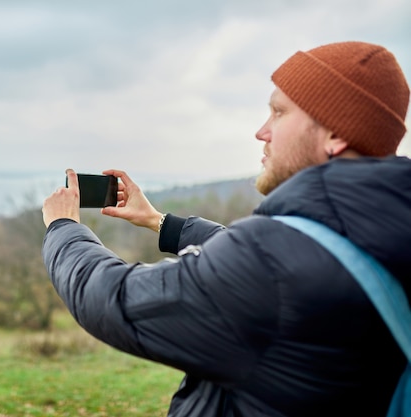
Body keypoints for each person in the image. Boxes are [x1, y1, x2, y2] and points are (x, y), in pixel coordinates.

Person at [41, 41, 410, 416]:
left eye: (279, 113)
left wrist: (63, 227)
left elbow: (115, 300)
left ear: (336, 134)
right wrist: (159, 222)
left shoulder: (271, 265)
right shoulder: (384, 232)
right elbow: (298, 261)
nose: (261, 132)